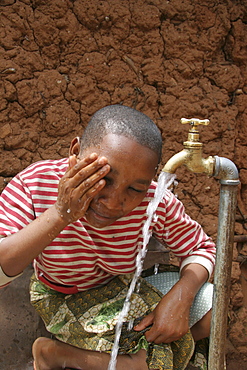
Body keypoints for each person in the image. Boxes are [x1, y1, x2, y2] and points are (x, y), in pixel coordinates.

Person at [0, 105, 215, 370]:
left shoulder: (153, 200)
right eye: (103, 179)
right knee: (147, 365)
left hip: (123, 288)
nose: (114, 203)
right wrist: (60, 213)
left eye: (135, 188)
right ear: (75, 152)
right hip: (63, 297)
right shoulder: (35, 184)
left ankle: (132, 352)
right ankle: (53, 353)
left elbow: (200, 247)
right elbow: (2, 269)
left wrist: (181, 297)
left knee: (213, 309)